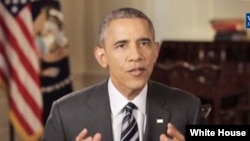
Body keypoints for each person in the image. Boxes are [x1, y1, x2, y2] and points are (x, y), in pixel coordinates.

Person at [41, 7, 207, 141]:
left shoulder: (189, 109)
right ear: (102, 57)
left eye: (144, 43)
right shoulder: (65, 113)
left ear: (155, 52)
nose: (136, 55)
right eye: (122, 45)